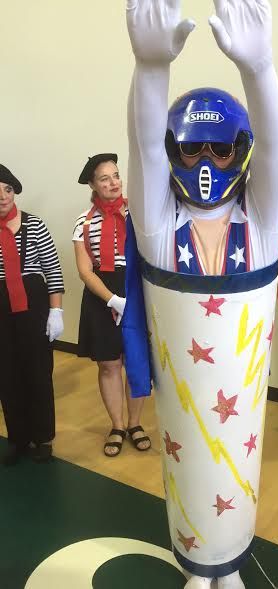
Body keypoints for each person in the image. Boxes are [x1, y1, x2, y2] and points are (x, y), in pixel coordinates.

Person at [126, 1, 278, 587]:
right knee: (192, 472)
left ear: (238, 151)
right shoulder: (157, 230)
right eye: (191, 150)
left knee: (233, 470)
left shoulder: (263, 225)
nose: (204, 163)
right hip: (184, 405)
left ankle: (231, 558)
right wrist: (149, 71)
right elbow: (145, 151)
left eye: (218, 150)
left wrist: (261, 70)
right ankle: (196, 562)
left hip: (239, 407)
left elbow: (275, 152)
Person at [73, 154, 150, 457]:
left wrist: (133, 297)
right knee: (109, 364)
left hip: (136, 288)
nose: (113, 183)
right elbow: (84, 270)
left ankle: (135, 423)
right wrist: (111, 299)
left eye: (116, 176)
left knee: (135, 359)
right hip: (101, 293)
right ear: (92, 184)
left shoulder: (138, 214)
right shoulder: (83, 221)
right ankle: (117, 425)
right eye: (104, 178)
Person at [0, 163, 64, 466]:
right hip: (1, 312)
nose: (3, 196)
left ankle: (43, 438)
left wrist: (56, 311)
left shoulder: (35, 225)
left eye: (8, 189)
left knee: (38, 373)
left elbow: (52, 270)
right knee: (7, 375)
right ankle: (18, 438)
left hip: (34, 307)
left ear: (14, 192)